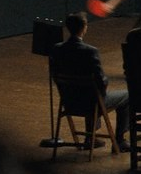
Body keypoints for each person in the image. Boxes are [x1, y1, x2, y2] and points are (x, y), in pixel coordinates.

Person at [49, 11, 130, 145]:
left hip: (69, 101)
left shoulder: (57, 49)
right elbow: (102, 81)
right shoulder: (90, 51)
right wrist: (102, 90)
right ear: (84, 28)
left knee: (90, 90)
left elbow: (54, 73)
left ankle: (90, 138)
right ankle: (120, 140)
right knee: (126, 95)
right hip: (91, 102)